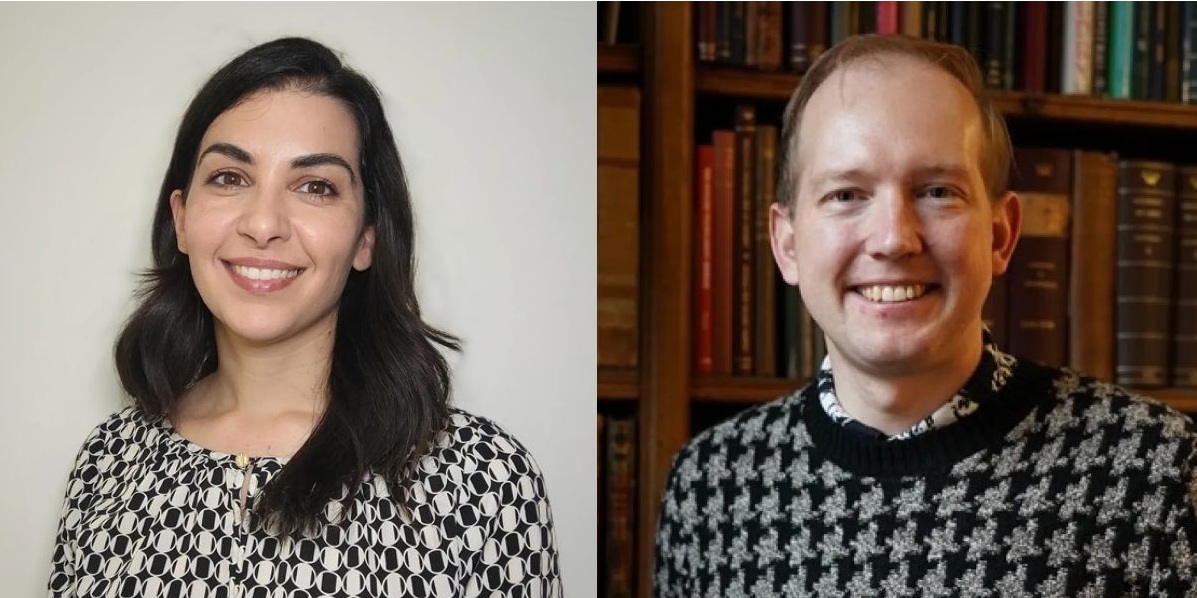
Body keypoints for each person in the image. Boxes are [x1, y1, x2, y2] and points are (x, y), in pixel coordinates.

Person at [654, 34, 1197, 596]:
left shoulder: (1155, 471)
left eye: (937, 191)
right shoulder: (708, 487)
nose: (893, 239)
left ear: (1001, 235)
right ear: (787, 244)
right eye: (846, 194)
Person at [48, 37, 560, 597]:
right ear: (182, 219)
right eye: (229, 178)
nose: (263, 223)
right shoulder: (108, 463)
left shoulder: (484, 482)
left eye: (315, 187)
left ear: (367, 237)